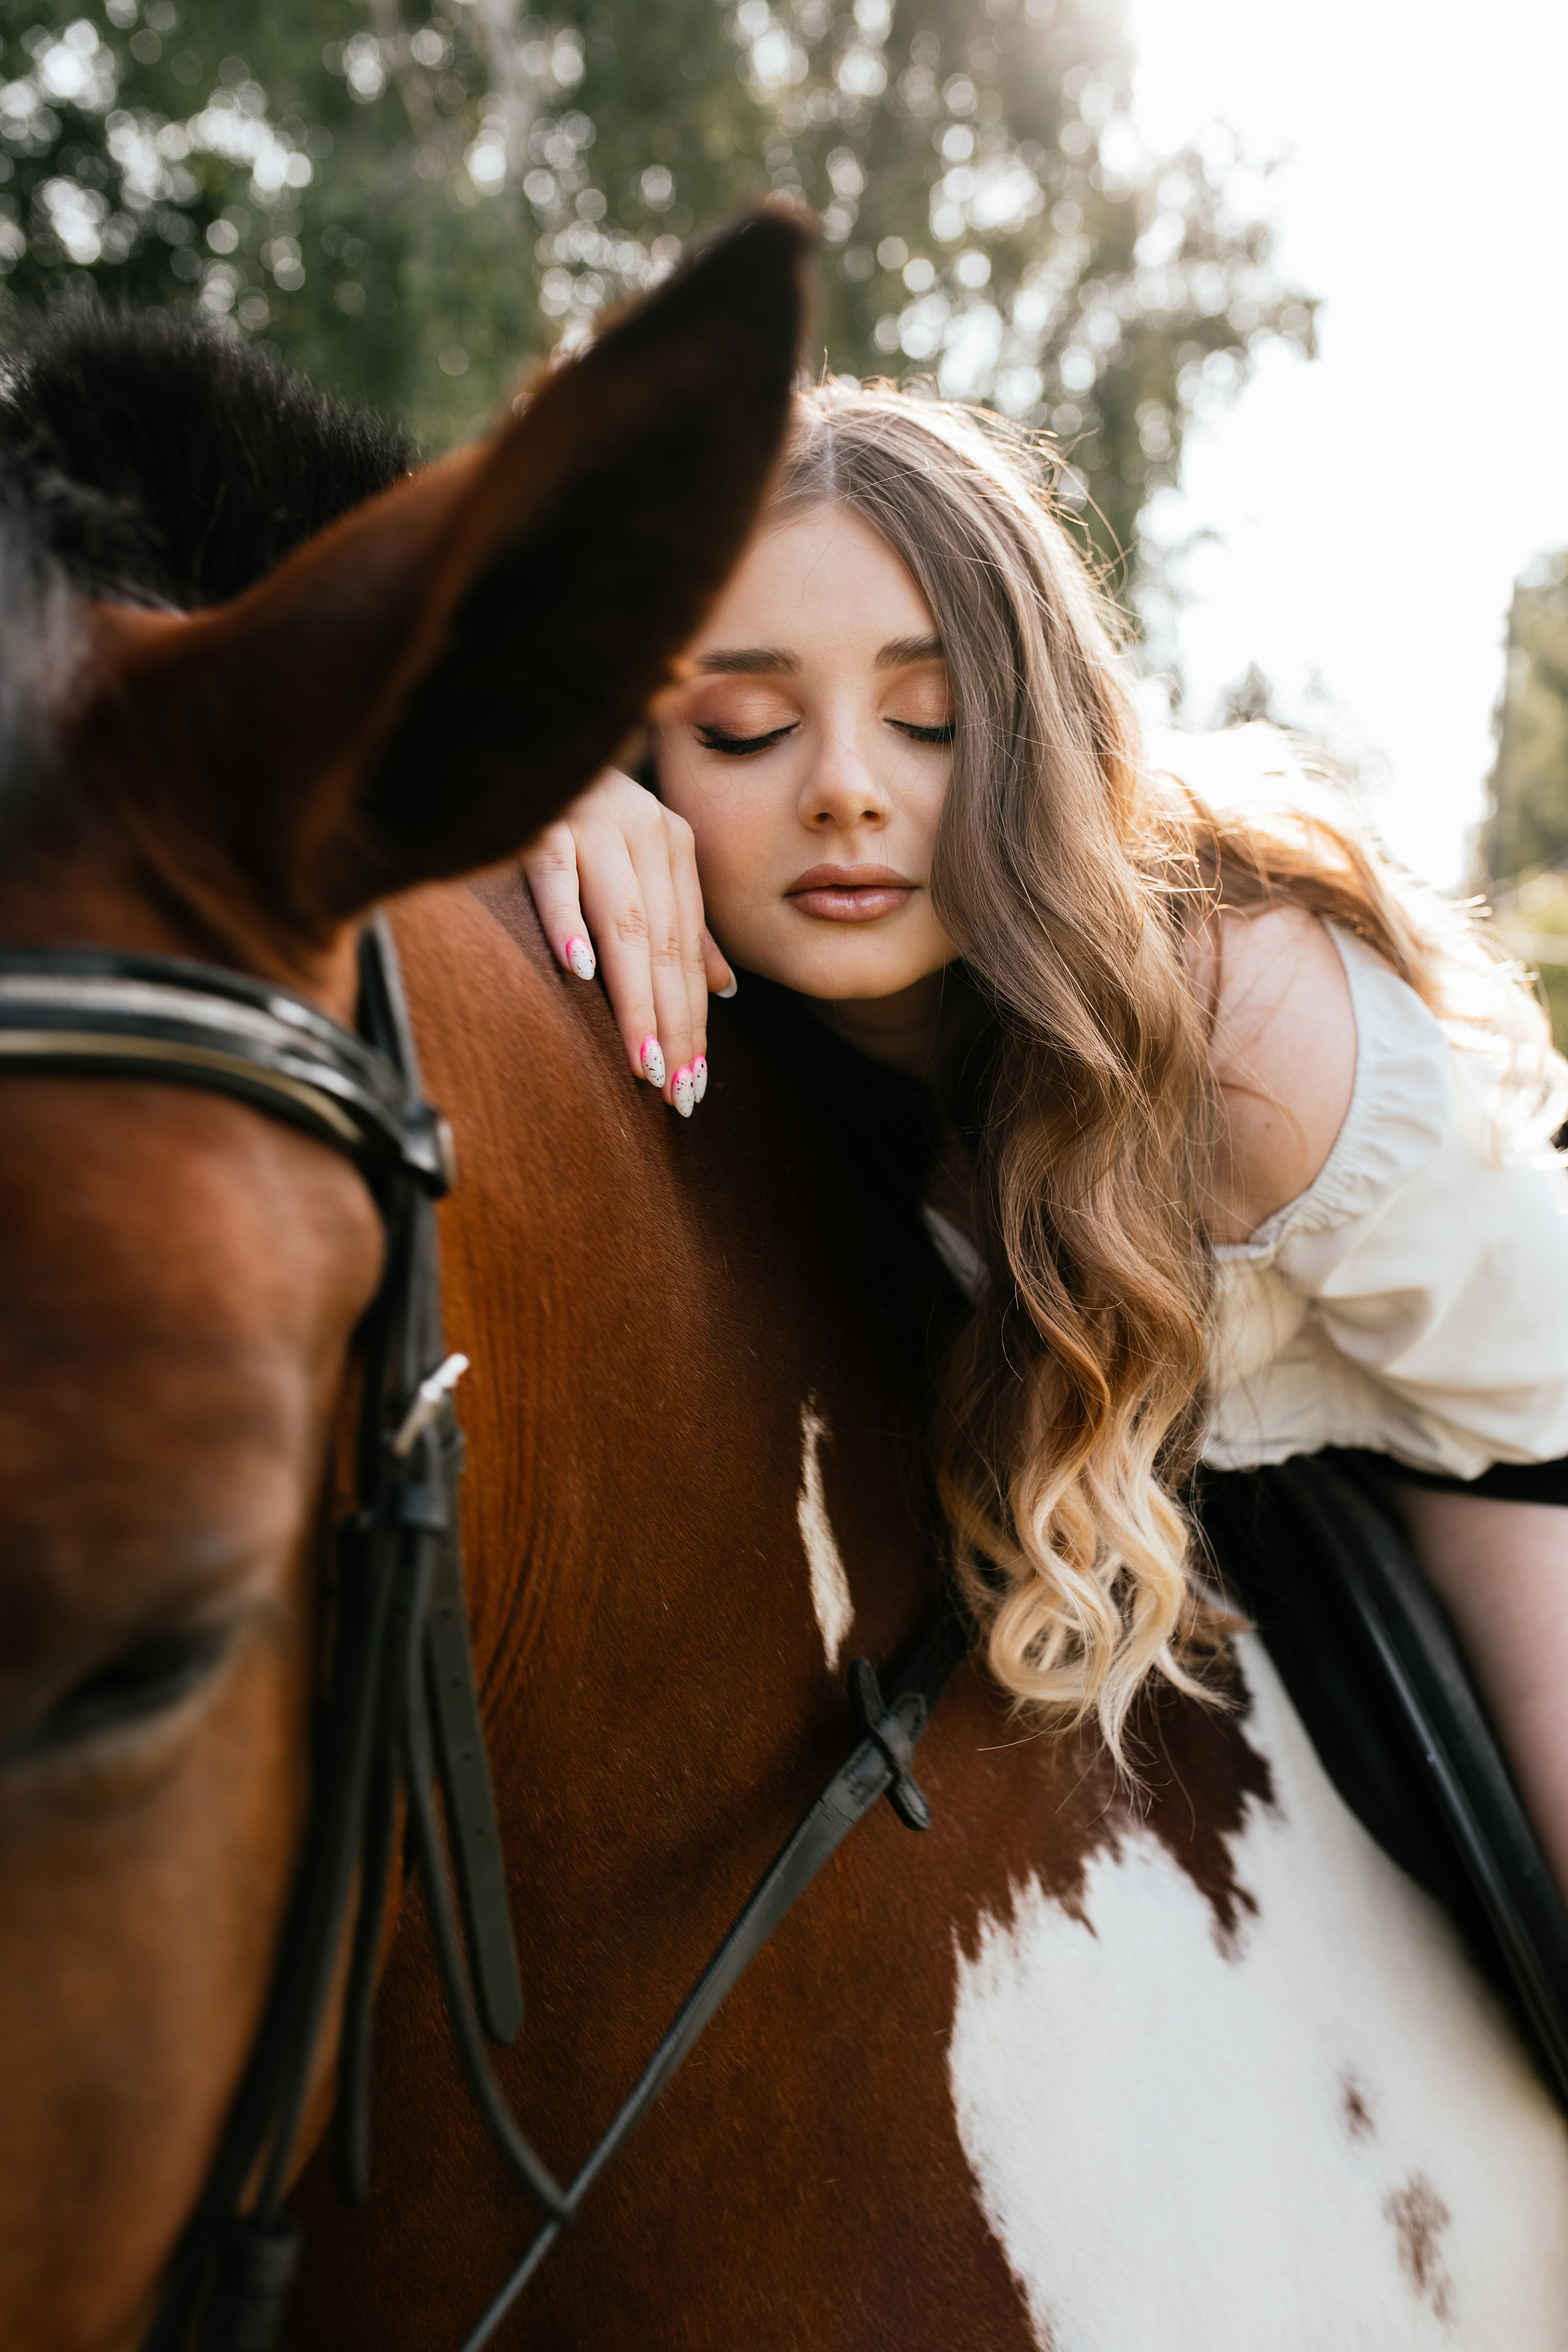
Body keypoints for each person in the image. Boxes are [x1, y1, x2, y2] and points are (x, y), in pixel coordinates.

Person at [519, 382, 1568, 1898]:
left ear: (1040, 734)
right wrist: (530, 790)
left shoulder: (1254, 1039)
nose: (843, 791)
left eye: (928, 718)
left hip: (1495, 1444)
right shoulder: (665, 908)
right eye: (743, 729)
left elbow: (1540, 1391)